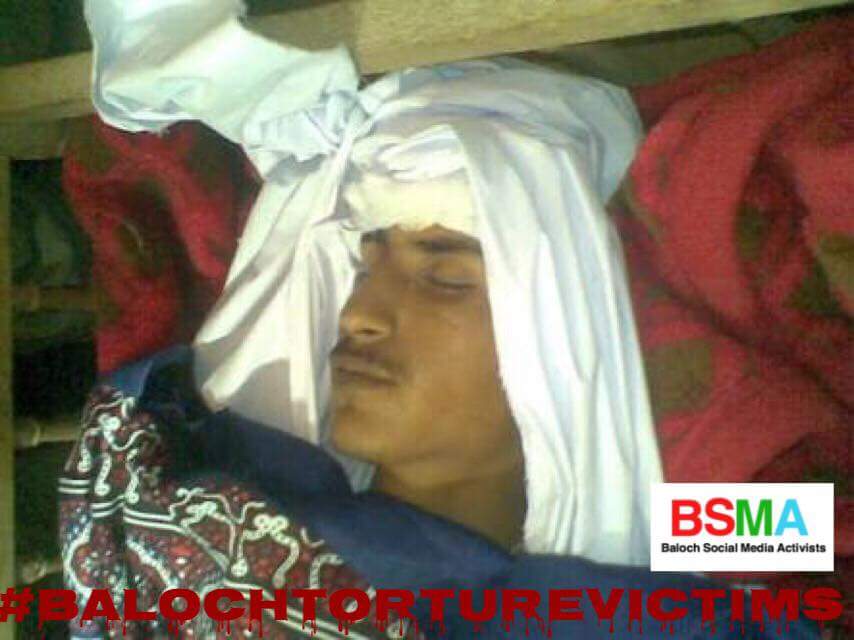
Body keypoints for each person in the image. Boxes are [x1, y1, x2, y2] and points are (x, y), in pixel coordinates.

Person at [59, 1, 826, 638]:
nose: (359, 314)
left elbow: (802, 524)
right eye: (365, 269)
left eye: (445, 278)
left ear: (552, 333)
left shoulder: (680, 514)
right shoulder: (657, 571)